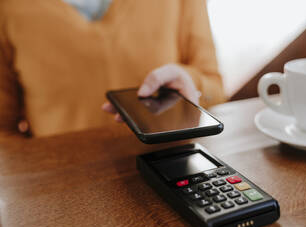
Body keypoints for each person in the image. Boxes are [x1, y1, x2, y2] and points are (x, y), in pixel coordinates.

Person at [0, 0, 225, 138]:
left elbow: (215, 89)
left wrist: (192, 85)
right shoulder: (8, 9)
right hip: (62, 188)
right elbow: (4, 133)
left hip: (165, 170)